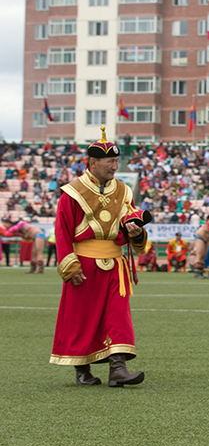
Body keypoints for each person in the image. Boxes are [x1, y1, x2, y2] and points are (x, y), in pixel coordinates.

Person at [50, 127, 147, 387]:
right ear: (93, 162)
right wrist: (70, 266)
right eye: (110, 162)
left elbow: (129, 219)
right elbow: (62, 232)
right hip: (85, 263)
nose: (115, 166)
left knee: (118, 315)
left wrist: (135, 230)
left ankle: (118, 369)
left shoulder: (124, 191)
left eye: (116, 161)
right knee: (82, 317)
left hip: (116, 265)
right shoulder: (72, 192)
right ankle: (82, 369)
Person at [191, 214, 209, 279]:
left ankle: (200, 272)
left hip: (207, 240)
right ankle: (197, 273)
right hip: (200, 238)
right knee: (200, 255)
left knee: (203, 256)